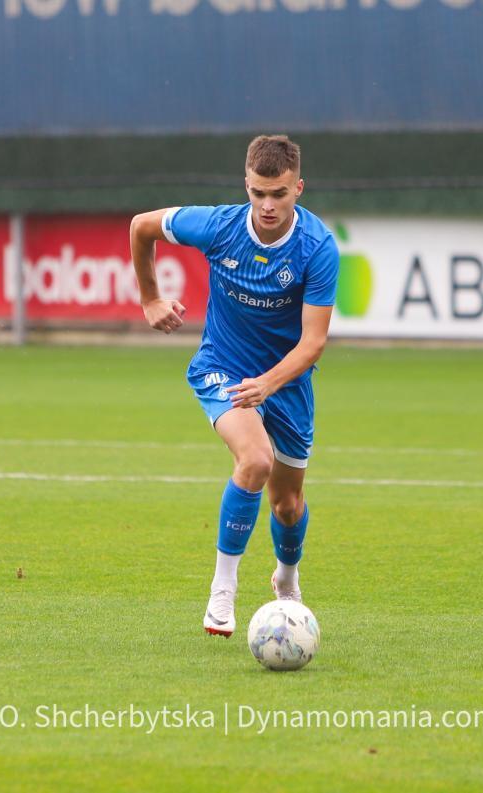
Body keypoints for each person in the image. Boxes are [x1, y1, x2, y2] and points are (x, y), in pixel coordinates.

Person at [129, 134, 339, 637]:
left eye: (279, 194)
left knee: (288, 504)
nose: (267, 205)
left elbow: (313, 344)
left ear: (298, 188)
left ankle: (286, 577)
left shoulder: (317, 248)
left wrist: (268, 383)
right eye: (258, 193)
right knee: (255, 460)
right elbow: (141, 227)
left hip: (284, 381)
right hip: (222, 367)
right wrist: (150, 297)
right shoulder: (219, 226)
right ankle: (223, 589)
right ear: (246, 184)